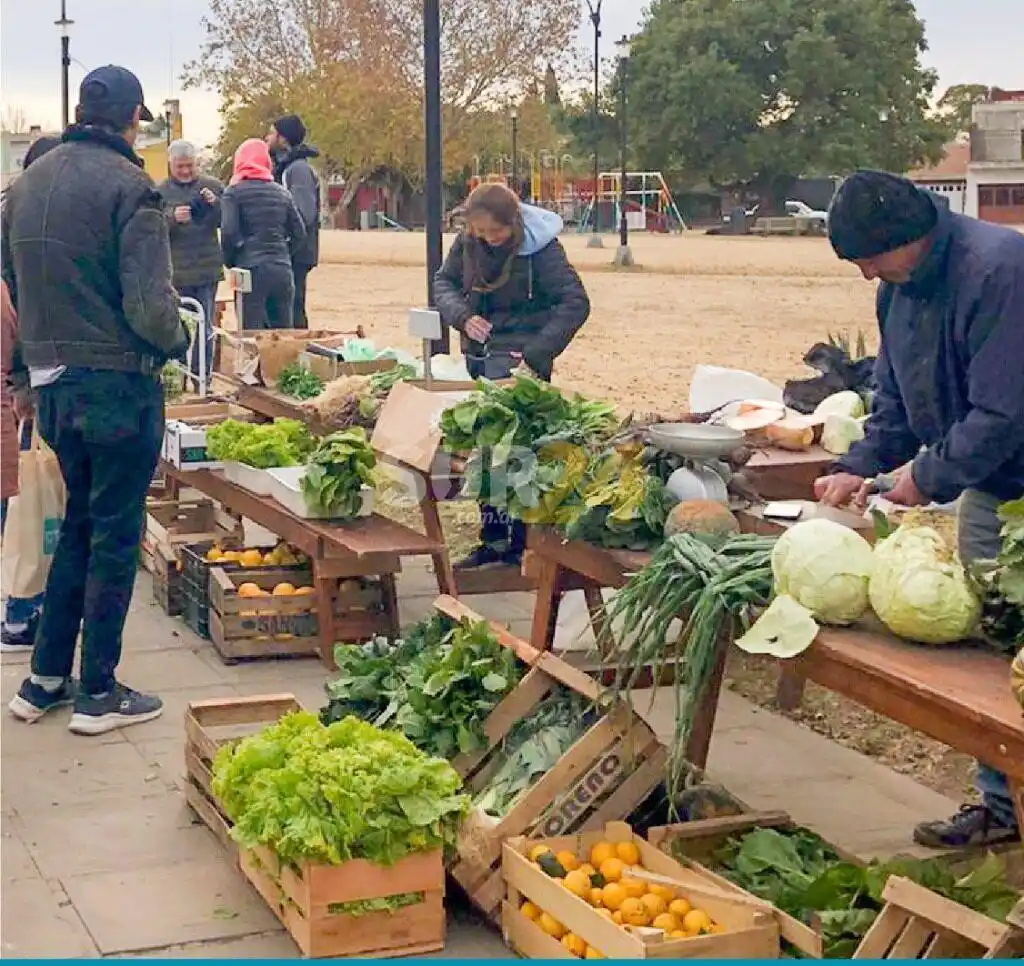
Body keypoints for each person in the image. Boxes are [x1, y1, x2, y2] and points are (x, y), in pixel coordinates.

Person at [816, 169, 1024, 848]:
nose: (865, 274)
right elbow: (896, 400)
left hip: (1010, 468)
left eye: (870, 258)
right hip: (994, 488)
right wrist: (861, 463)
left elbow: (1001, 414)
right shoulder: (897, 290)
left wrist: (924, 477)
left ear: (911, 236)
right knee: (1001, 652)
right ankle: (1002, 807)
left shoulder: (1000, 272)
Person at [1, 65, 188, 734]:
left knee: (80, 525)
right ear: (134, 117)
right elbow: (149, 306)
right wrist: (179, 338)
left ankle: (44, 678)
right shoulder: (130, 187)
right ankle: (98, 691)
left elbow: (15, 296)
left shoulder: (25, 186)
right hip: (116, 385)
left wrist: (25, 384)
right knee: (114, 534)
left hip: (52, 388)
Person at [434, 183, 590, 569]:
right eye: (481, 232)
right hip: (480, 356)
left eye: (495, 232)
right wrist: (462, 317)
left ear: (514, 222)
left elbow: (575, 302)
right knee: (485, 451)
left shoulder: (542, 250)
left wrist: (537, 353)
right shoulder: (467, 242)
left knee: (520, 454)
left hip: (523, 364)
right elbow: (444, 282)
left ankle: (521, 545)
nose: (488, 238)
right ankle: (491, 538)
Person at [1, 134, 61, 652]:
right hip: (30, 378)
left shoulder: (19, 213)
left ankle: (27, 607)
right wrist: (21, 384)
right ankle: (21, 612)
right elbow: (16, 309)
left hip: (28, 375)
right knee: (28, 503)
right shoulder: (24, 220)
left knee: (30, 501)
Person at [221, 138, 306, 330]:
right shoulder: (282, 193)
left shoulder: (233, 193)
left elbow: (228, 232)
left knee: (251, 334)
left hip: (249, 270)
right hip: (282, 270)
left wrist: (232, 260)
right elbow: (300, 233)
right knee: (282, 335)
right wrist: (283, 253)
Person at [157, 139, 223, 379]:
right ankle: (179, 375)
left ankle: (202, 377)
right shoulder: (159, 192)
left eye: (190, 166)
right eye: (180, 167)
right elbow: (150, 226)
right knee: (178, 327)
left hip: (207, 270)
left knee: (205, 327)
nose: (185, 171)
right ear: (170, 164)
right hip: (175, 272)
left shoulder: (213, 186)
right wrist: (172, 217)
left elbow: (227, 220)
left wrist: (215, 204)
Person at [266, 115, 320, 329]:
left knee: (294, 308)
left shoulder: (297, 170)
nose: (267, 137)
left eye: (271, 132)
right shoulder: (286, 167)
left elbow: (304, 213)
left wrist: (284, 235)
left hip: (297, 251)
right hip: (292, 250)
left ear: (283, 138)